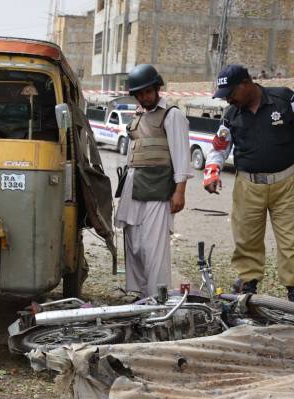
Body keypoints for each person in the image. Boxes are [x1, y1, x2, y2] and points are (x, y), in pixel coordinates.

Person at [203, 64, 294, 302]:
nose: (228, 101)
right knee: (246, 238)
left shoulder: (284, 100)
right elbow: (218, 149)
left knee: (291, 239)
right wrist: (212, 173)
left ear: (246, 83)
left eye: (230, 94)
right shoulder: (231, 115)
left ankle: (293, 289)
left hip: (287, 184)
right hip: (248, 185)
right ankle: (248, 286)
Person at [115, 64, 191, 298]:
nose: (144, 97)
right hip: (133, 187)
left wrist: (180, 191)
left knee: (153, 247)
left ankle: (156, 297)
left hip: (158, 190)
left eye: (148, 92)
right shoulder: (139, 115)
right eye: (140, 93)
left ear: (157, 89)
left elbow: (181, 155)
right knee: (134, 242)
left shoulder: (172, 114)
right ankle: (139, 293)